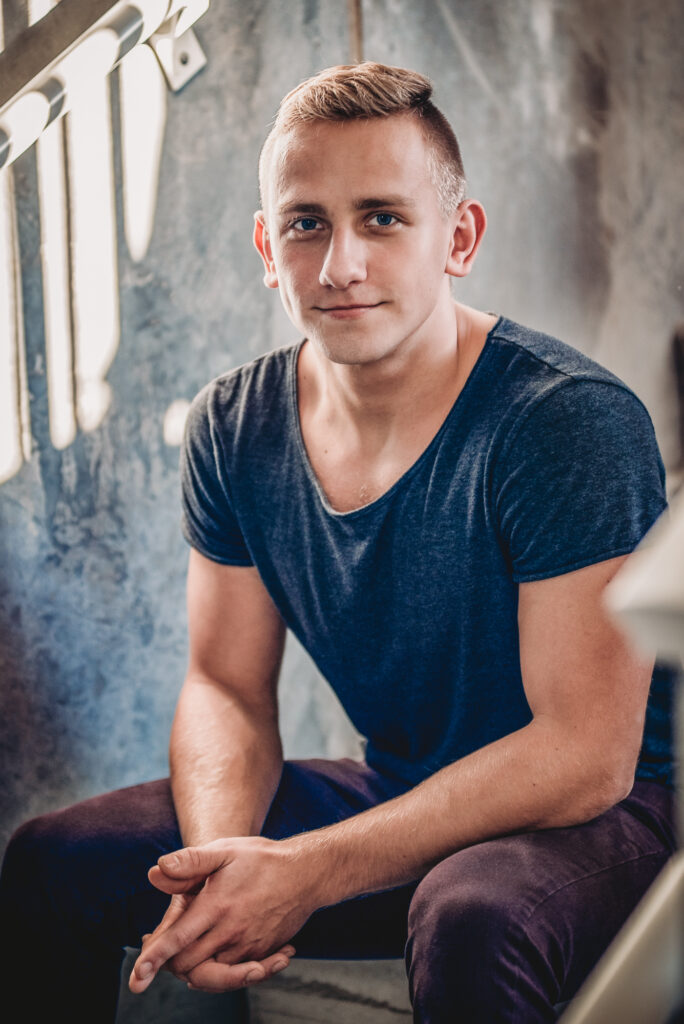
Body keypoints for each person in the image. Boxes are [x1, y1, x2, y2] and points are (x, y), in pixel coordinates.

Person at [0, 62, 676, 1024]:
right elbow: (226, 686)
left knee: (472, 914)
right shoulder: (236, 426)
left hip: (617, 822)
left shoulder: (562, 422)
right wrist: (224, 866)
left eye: (384, 219)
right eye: (306, 223)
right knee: (53, 862)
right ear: (268, 249)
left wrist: (306, 873)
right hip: (407, 792)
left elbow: (585, 754)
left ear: (459, 237)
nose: (339, 264)